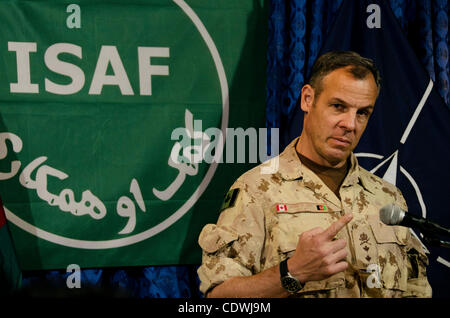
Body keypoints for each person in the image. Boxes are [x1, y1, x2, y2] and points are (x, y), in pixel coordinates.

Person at [197, 51, 432, 298]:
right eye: (338, 106)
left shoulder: (388, 196)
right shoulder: (255, 190)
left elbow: (416, 288)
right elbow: (219, 296)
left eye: (362, 112)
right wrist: (292, 272)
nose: (350, 124)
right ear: (308, 99)